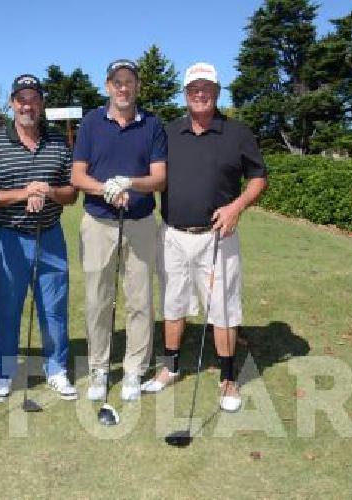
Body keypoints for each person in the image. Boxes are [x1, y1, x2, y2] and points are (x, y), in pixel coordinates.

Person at [140, 62, 268, 412]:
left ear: (217, 93)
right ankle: (170, 368)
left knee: (223, 308)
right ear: (185, 94)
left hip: (217, 236)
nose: (200, 93)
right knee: (173, 303)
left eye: (206, 88)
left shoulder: (237, 132)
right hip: (173, 235)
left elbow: (258, 177)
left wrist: (236, 207)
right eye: (194, 88)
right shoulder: (168, 132)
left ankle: (228, 379)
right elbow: (150, 173)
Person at [70, 59, 167, 402]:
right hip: (98, 223)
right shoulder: (91, 123)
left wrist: (130, 182)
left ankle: (133, 371)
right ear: (107, 85)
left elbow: (159, 177)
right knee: (98, 300)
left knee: (140, 301)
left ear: (137, 86)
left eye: (129, 81)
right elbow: (77, 177)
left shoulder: (152, 124)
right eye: (117, 82)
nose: (123, 88)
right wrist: (106, 189)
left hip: (140, 222)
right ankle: (98, 368)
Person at [0, 74, 79, 402]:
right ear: (12, 103)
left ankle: (56, 369)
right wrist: (24, 193)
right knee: (6, 308)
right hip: (6, 238)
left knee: (54, 306)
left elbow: (71, 193)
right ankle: (4, 372)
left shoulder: (58, 142)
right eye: (21, 99)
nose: (27, 105)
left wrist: (49, 191)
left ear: (41, 104)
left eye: (33, 99)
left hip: (49, 236)